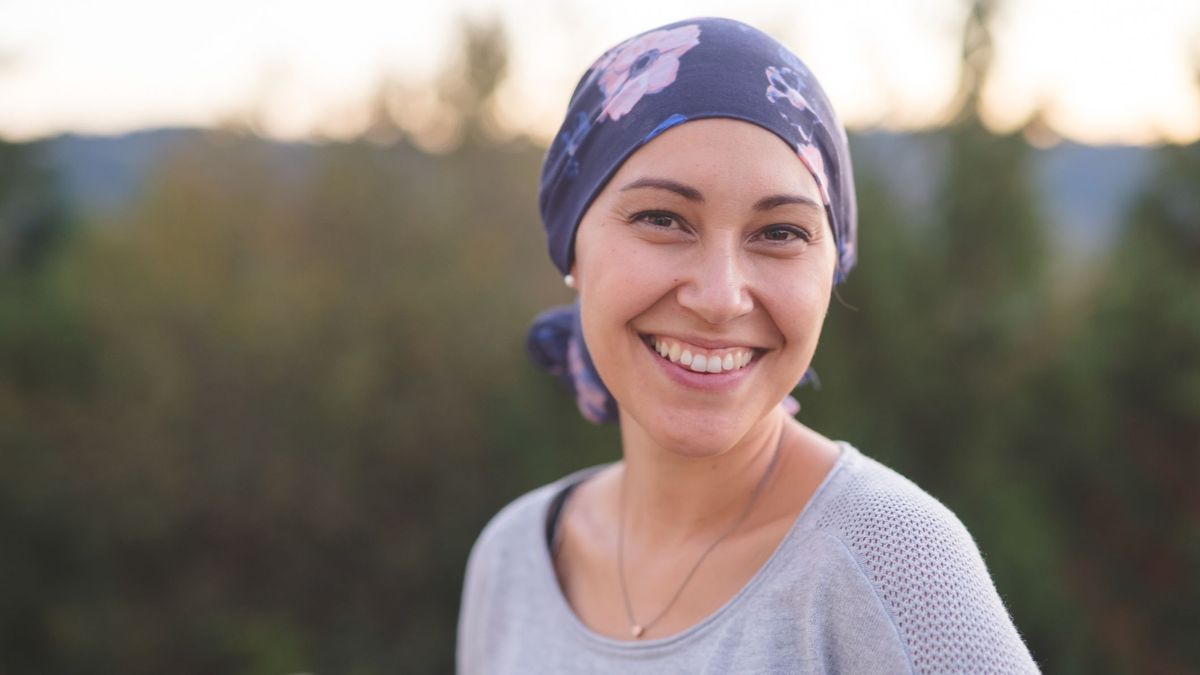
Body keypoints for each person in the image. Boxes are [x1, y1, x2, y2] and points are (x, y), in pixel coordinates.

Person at [457, 16, 1039, 674]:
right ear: (573, 249)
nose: (721, 295)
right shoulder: (511, 561)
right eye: (662, 219)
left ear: (832, 269)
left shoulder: (893, 558)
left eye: (780, 232)